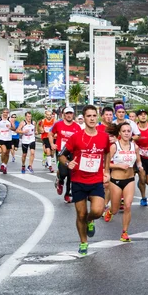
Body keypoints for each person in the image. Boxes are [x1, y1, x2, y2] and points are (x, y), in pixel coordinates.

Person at [59, 105, 111, 256]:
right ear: (84, 118)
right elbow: (62, 155)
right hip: (78, 180)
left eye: (94, 115)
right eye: (89, 116)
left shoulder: (103, 136)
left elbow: (107, 153)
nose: (92, 118)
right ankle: (83, 242)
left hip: (96, 180)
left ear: (98, 117)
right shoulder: (76, 137)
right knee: (80, 214)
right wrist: (68, 163)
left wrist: (106, 171)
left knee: (97, 210)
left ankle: (90, 220)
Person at [103, 122, 145, 242]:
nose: (127, 133)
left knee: (127, 206)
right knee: (116, 209)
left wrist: (140, 167)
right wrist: (119, 166)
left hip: (130, 179)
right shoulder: (114, 146)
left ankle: (124, 233)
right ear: (120, 133)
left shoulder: (134, 146)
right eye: (124, 131)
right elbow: (107, 164)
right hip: (116, 180)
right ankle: (110, 211)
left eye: (128, 131)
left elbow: (138, 160)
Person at [51, 106, 82, 203]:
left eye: (71, 113)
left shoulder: (77, 127)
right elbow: (50, 134)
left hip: (73, 153)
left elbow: (80, 139)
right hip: (62, 152)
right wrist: (52, 144)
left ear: (73, 115)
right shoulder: (58, 124)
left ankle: (68, 193)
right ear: (64, 115)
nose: (69, 115)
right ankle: (60, 180)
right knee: (64, 173)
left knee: (71, 174)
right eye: (67, 113)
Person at [0, 109, 12, 174]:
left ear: (8, 113)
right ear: (2, 113)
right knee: (4, 151)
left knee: (7, 154)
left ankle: (4, 165)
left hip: (8, 138)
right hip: (1, 138)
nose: (5, 114)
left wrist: (10, 127)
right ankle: (2, 164)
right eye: (4, 112)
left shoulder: (10, 119)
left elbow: (14, 128)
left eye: (6, 112)